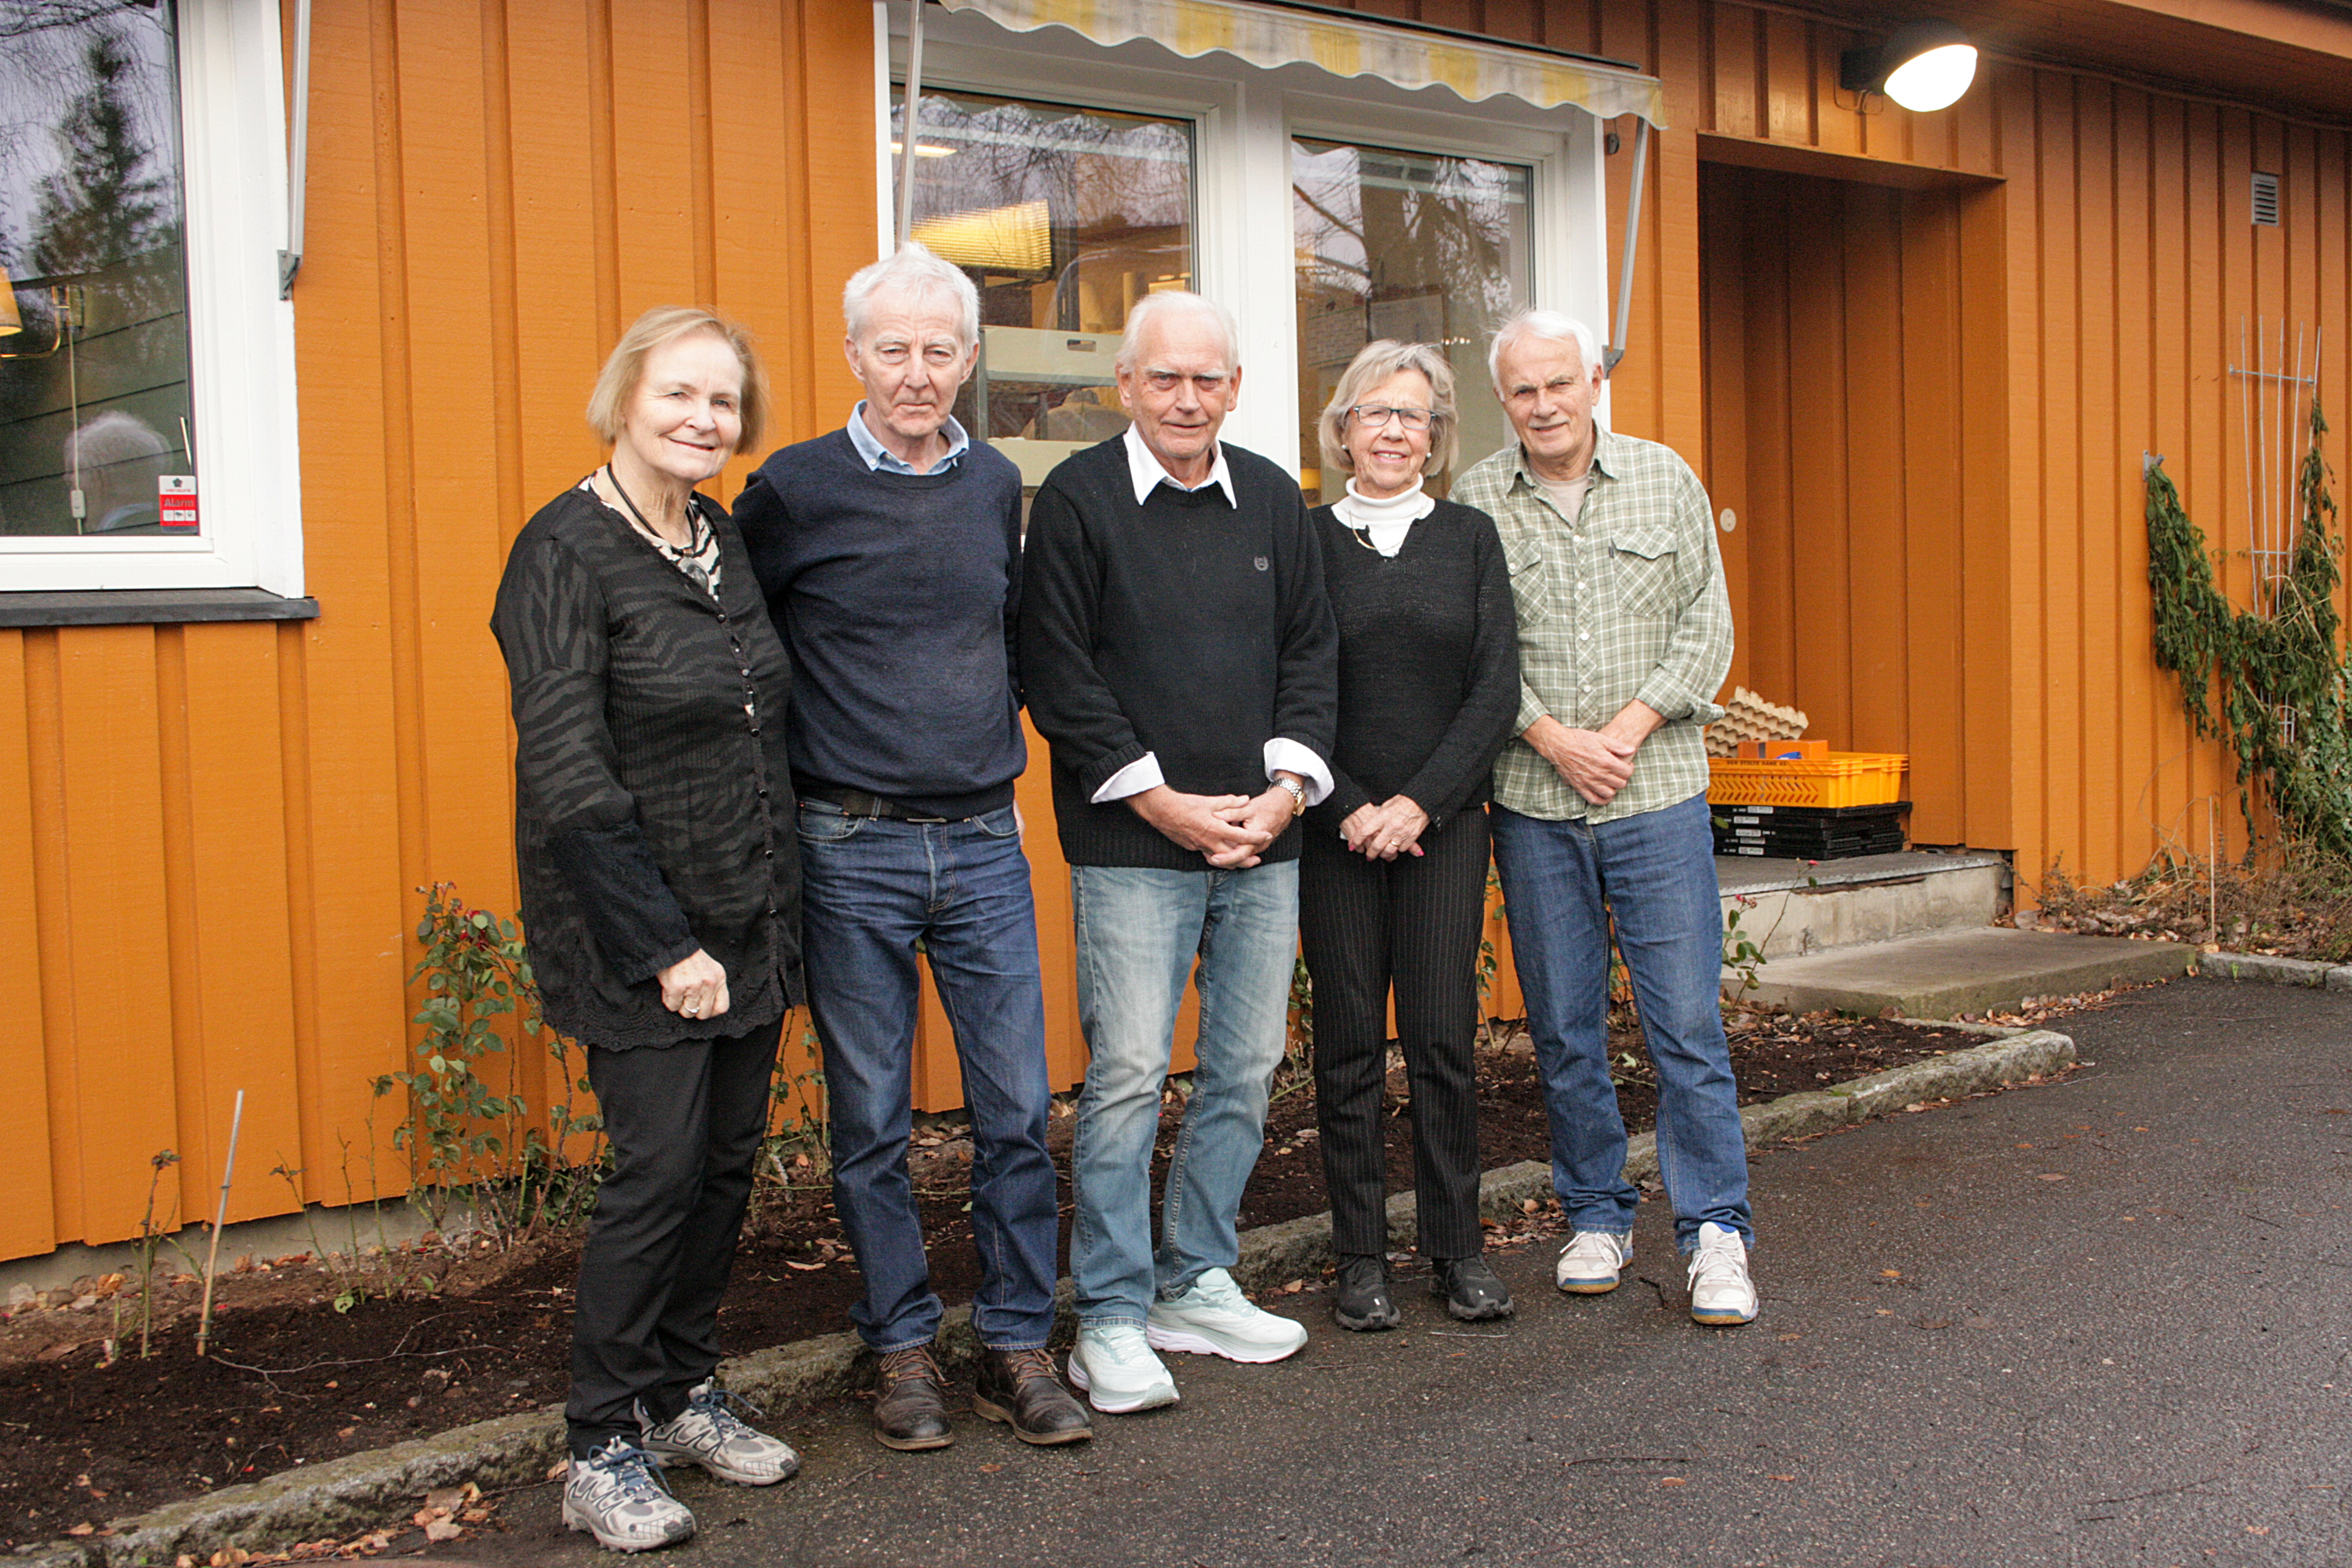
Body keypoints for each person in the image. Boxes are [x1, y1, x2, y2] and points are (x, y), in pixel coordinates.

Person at [733, 243, 1089, 1452]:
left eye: (942, 351)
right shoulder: (790, 492)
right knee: (874, 1116)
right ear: (853, 357)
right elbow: (742, 653)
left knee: (1015, 1113)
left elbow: (1008, 641)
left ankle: (1017, 1344)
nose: (918, 372)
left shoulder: (994, 485)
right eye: (894, 349)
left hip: (985, 843)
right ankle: (899, 1349)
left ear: (971, 360)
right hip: (850, 846)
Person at [491, 305, 805, 1552]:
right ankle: (599, 1442)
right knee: (658, 1175)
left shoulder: (719, 537)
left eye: (723, 403)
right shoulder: (562, 552)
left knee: (727, 1169)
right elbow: (569, 775)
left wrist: (758, 928)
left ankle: (681, 1394)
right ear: (625, 396)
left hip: (750, 914)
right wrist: (665, 948)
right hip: (642, 934)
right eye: (679, 395)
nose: (702, 420)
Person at [1019, 290, 1338, 1413]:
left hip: (1265, 839)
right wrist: (1164, 805)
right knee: (1127, 1080)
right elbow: (1057, 672)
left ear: (1236, 389)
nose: (1187, 398)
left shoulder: (1273, 504)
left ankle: (1194, 1276)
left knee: (1246, 1069)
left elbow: (1313, 650)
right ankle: (1108, 1312)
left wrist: (1288, 790)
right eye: (1166, 378)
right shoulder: (1077, 501)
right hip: (1130, 844)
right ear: (1126, 386)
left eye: (1208, 379)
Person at [1451, 309, 1759, 1328]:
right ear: (1506, 402)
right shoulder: (1476, 501)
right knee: (1566, 1027)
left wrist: (1621, 732)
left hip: (1657, 795)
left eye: (1559, 385)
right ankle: (1595, 1213)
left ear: (1594, 384)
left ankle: (1715, 1231)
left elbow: (1706, 626)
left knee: (1685, 1024)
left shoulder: (1666, 478)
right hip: (1537, 805)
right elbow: (1473, 650)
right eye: (1524, 392)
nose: (1544, 406)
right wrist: (1551, 738)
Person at [1298, 341, 1520, 1331]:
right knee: (1346, 1049)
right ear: (1342, 428)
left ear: (1436, 440)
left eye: (1415, 416)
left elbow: (1493, 690)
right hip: (1332, 829)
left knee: (1442, 1042)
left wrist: (1419, 804)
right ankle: (1359, 1258)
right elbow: (1289, 686)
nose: (1394, 430)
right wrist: (1347, 804)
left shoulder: (1468, 538)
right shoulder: (1304, 543)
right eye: (1375, 412)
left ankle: (1457, 1250)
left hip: (1443, 826)